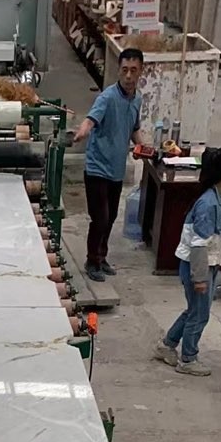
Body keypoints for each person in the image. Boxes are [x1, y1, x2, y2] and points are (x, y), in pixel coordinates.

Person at [154, 145, 221, 377]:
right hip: (197, 267)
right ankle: (188, 359)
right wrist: (200, 278)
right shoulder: (208, 204)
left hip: (208, 265)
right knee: (199, 314)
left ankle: (167, 345)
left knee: (195, 310)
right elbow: (199, 245)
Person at [74, 47, 148, 282]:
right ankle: (91, 261)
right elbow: (90, 120)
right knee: (100, 218)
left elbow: (134, 129)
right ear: (118, 70)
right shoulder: (107, 97)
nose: (128, 76)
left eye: (133, 70)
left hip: (116, 170)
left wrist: (142, 147)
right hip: (97, 168)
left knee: (112, 216)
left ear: (141, 71)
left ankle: (101, 256)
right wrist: (83, 130)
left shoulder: (137, 99)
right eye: (124, 70)